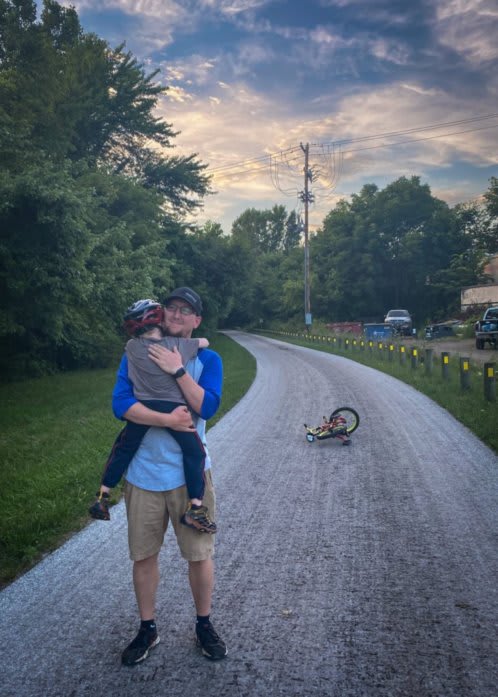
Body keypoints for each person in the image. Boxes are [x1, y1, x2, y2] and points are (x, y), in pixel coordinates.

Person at [113, 287, 227, 665]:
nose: (177, 315)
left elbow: (205, 406)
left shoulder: (208, 359)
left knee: (199, 554)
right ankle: (147, 629)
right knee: (143, 555)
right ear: (162, 316)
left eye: (186, 311)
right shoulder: (134, 355)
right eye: (172, 309)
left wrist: (176, 370)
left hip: (190, 477)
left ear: (197, 321)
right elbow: (121, 405)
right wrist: (165, 419)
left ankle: (204, 624)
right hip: (143, 474)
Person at [89, 299, 216, 534]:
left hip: (143, 408)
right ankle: (196, 508)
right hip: (172, 408)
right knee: (194, 452)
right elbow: (204, 342)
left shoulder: (131, 347)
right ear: (158, 317)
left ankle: (102, 495)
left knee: (124, 447)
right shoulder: (175, 345)